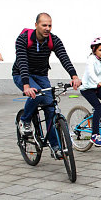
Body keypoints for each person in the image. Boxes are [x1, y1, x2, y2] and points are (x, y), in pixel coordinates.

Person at [13, 12, 81, 158]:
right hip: (21, 74)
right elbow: (22, 62)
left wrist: (74, 76)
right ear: (36, 25)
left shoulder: (53, 40)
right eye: (44, 25)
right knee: (36, 94)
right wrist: (26, 86)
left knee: (51, 108)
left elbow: (64, 57)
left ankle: (55, 147)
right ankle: (24, 121)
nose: (47, 28)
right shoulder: (23, 39)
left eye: (50, 25)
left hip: (41, 75)